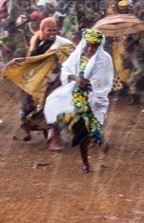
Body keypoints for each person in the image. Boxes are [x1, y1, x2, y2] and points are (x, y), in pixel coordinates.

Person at [44, 28, 113, 172]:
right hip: (76, 97)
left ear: (98, 46)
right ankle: (86, 163)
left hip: (93, 97)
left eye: (93, 46)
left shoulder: (105, 59)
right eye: (87, 45)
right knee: (81, 131)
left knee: (91, 127)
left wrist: (88, 85)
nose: (89, 48)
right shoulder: (77, 55)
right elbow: (66, 70)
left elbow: (102, 81)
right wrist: (77, 79)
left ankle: (99, 138)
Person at [2, 17, 73, 141]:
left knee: (52, 106)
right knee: (26, 106)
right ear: (42, 30)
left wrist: (60, 69)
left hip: (54, 81)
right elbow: (30, 60)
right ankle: (27, 128)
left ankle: (55, 136)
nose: (52, 33)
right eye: (49, 30)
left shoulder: (63, 44)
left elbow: (71, 59)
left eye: (55, 30)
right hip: (34, 79)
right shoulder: (36, 42)